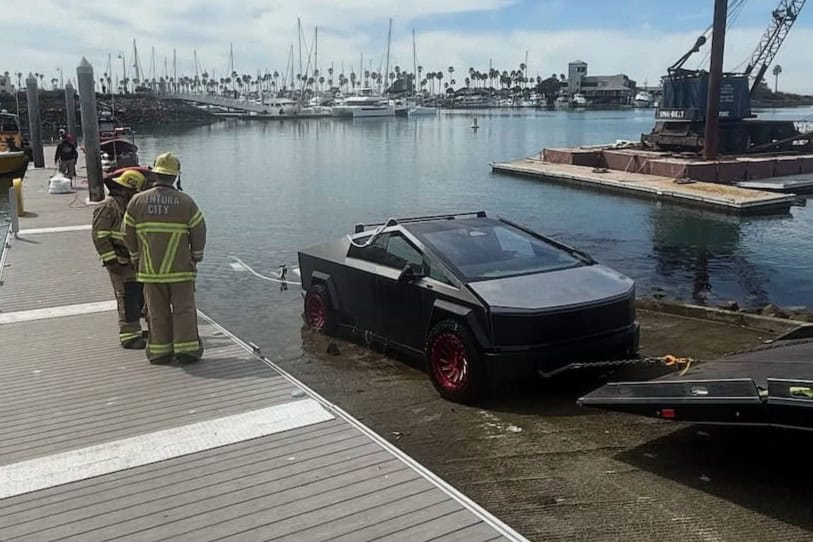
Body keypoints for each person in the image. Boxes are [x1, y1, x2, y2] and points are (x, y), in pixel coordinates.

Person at [123, 152, 207, 365]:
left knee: (156, 311)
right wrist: (196, 256)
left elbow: (127, 232)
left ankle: (160, 352)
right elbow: (199, 231)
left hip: (150, 270)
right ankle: (186, 351)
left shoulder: (137, 201)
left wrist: (135, 256)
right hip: (180, 269)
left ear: (154, 173)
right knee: (184, 309)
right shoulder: (186, 202)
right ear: (176, 176)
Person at [92, 169, 147, 349]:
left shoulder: (127, 206)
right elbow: (100, 236)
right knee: (126, 298)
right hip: (119, 262)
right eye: (134, 191)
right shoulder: (108, 206)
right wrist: (111, 261)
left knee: (138, 296)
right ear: (126, 189)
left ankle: (136, 329)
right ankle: (129, 337)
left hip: (131, 261)